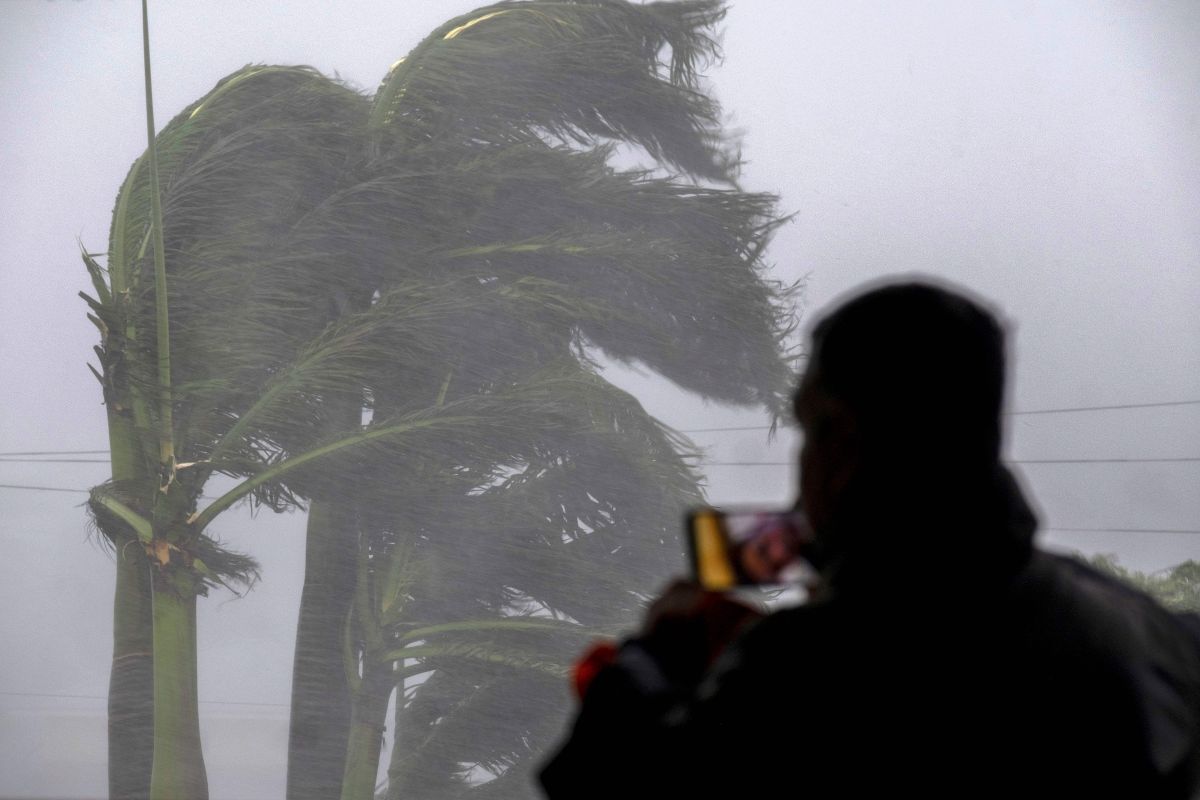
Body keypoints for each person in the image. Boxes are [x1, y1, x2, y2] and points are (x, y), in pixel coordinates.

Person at [539, 278, 1200, 799]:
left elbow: (604, 778)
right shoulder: (1138, 625)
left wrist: (654, 656)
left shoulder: (806, 668)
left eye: (807, 428)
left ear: (843, 440)